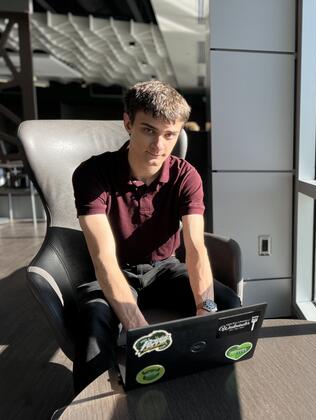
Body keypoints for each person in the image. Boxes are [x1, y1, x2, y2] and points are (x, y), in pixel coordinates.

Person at [71, 80, 241, 393]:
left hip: (165, 268)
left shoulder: (185, 175)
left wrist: (206, 308)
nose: (159, 146)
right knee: (94, 320)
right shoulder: (92, 174)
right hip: (116, 271)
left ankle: (210, 392)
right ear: (128, 124)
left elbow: (195, 248)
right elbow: (103, 258)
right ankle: (93, 405)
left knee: (227, 304)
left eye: (169, 135)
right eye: (149, 130)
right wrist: (139, 329)